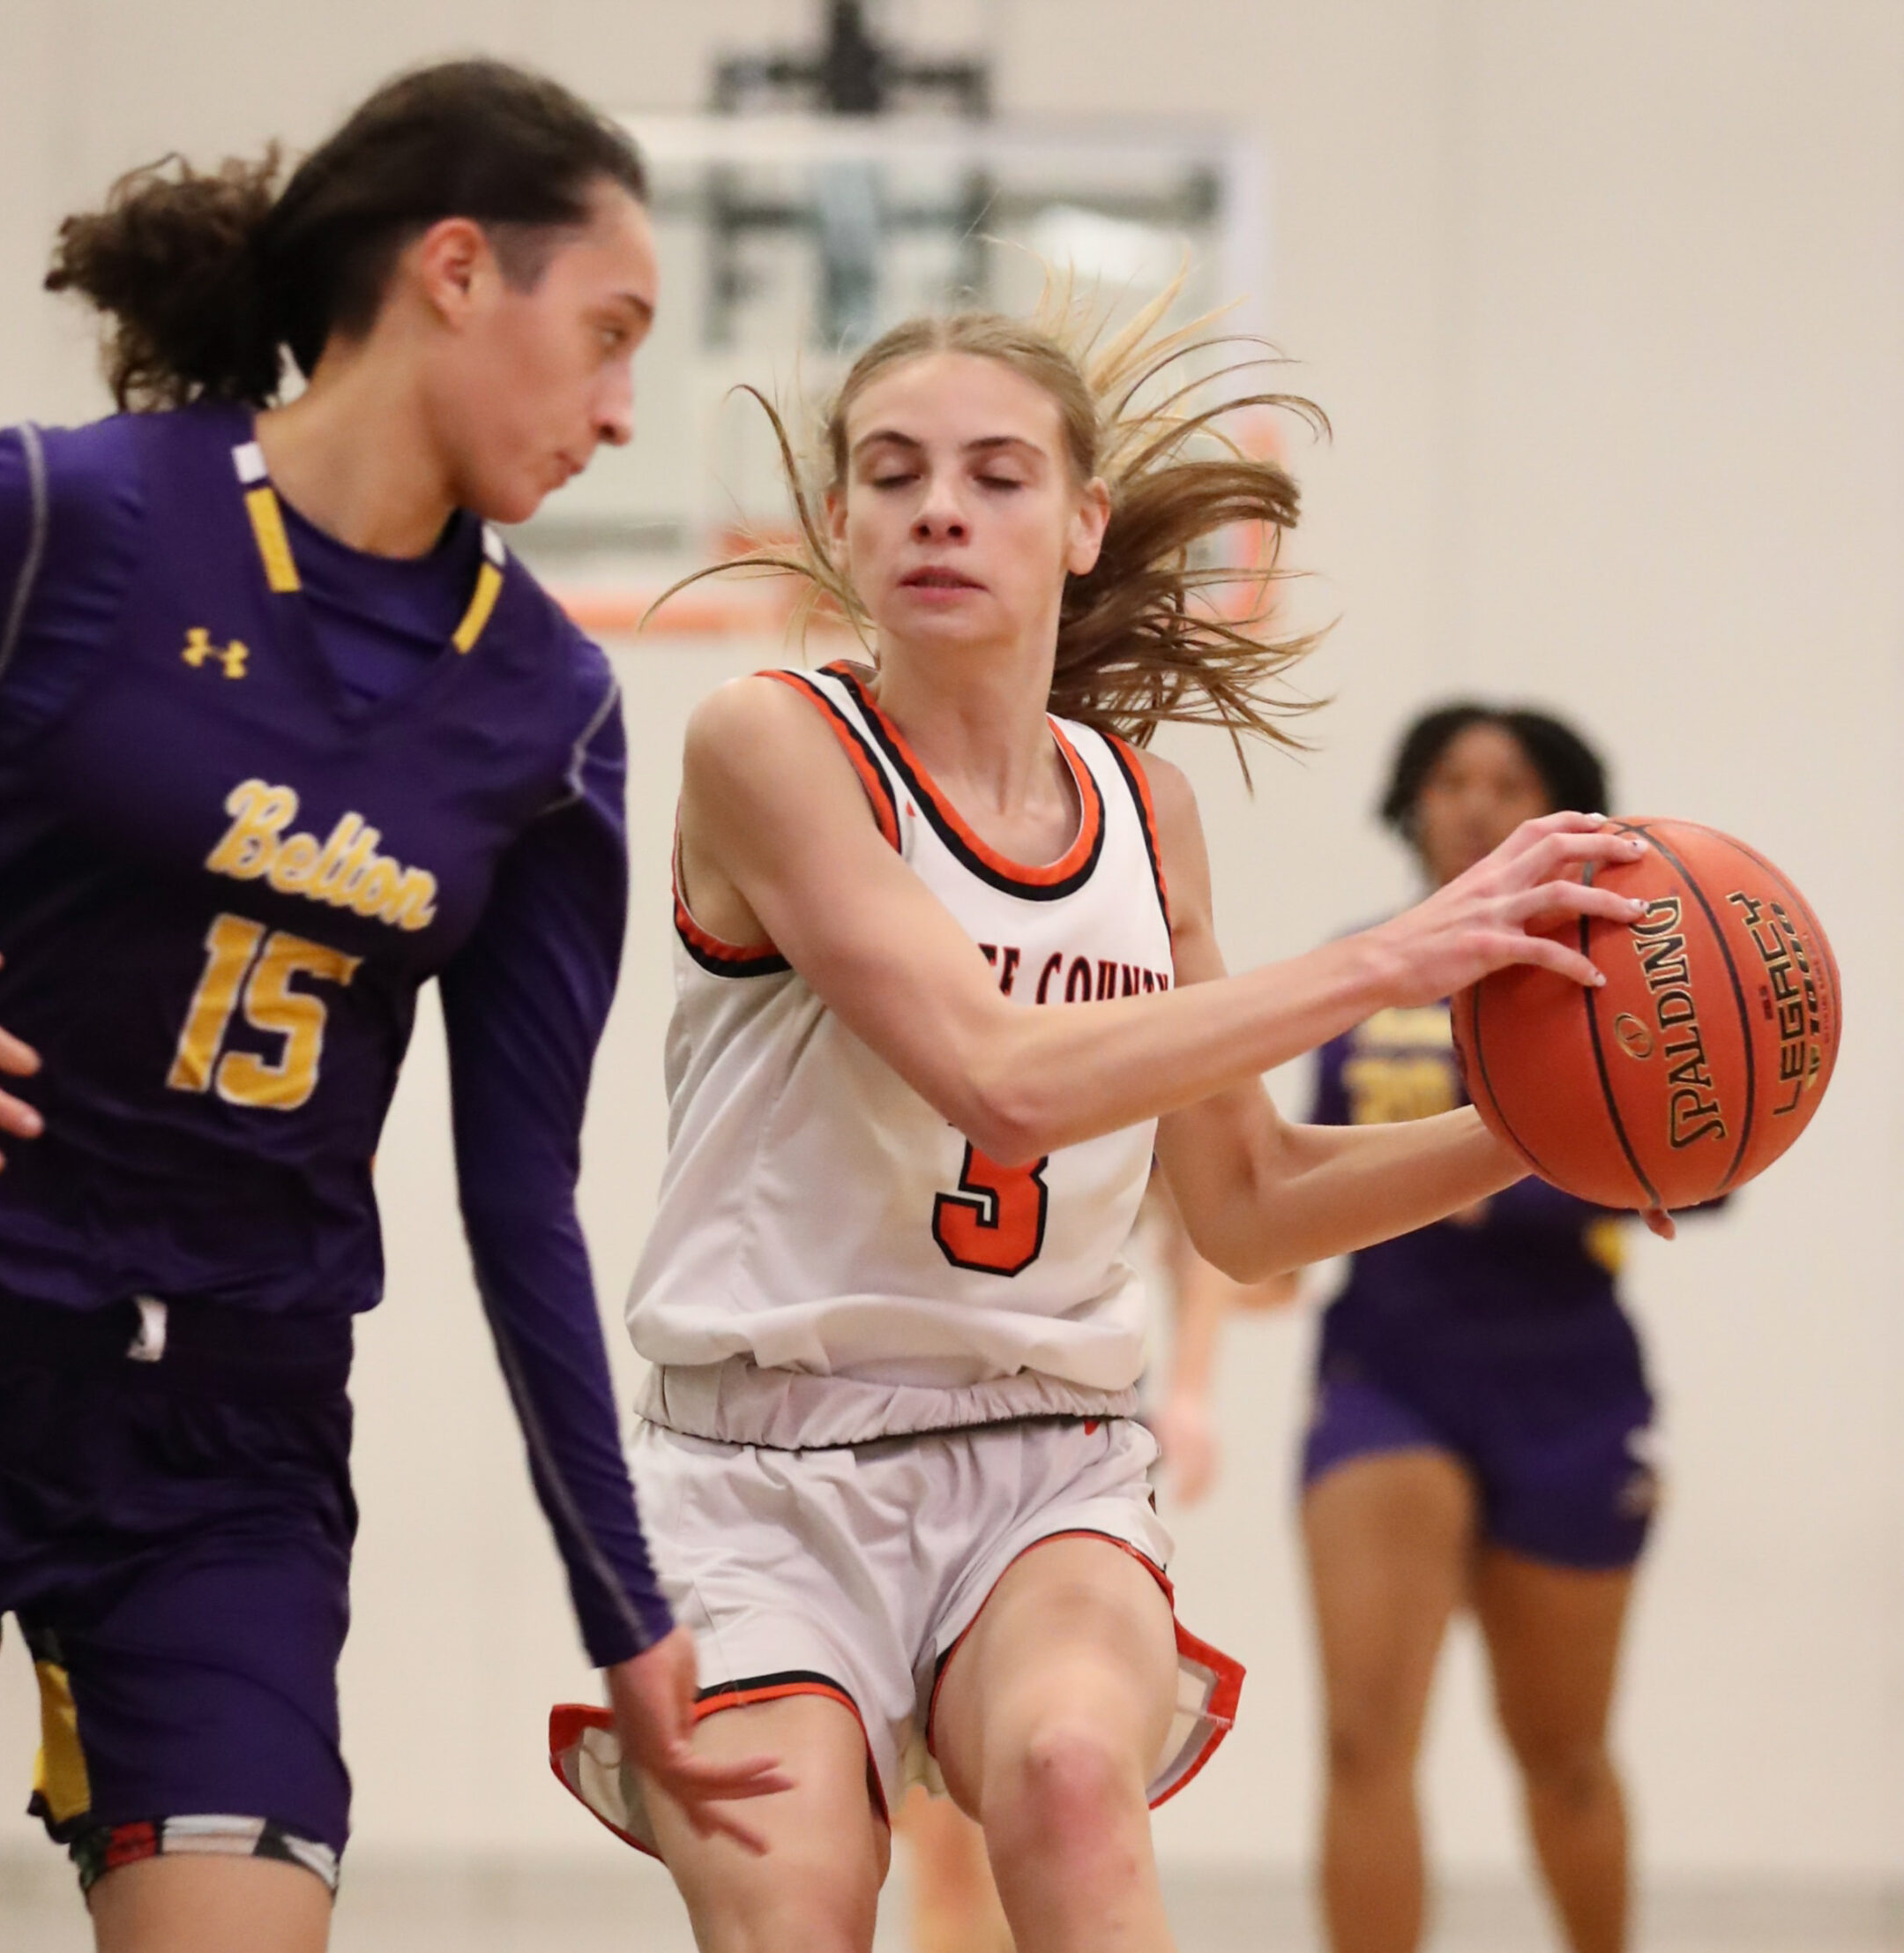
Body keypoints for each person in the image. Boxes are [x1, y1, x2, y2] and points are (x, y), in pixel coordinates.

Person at [0, 59, 777, 1953]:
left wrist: (625, 1607)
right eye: (608, 333)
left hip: (227, 1456)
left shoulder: (547, 711)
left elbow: (520, 1205)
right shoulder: (59, 514)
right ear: (452, 271)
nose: (618, 409)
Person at [548, 296, 1658, 1953]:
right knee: (799, 1905)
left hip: (1041, 1457)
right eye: (895, 473)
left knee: (1073, 1776)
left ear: (1081, 523)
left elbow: (1252, 1197)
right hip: (759, 1467)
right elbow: (1000, 1073)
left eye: (996, 475)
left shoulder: (1146, 809)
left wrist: (1553, 1128)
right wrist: (1392, 955)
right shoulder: (773, 741)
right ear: (839, 520)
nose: (940, 508)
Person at [1301, 704, 1662, 1953]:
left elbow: (1704, 1170)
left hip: (1569, 1383)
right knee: (1363, 1737)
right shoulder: (1360, 970)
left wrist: (1503, 1181)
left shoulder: (1624, 977)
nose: (1472, 802)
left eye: (1507, 781)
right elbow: (1301, 1170)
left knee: (1562, 1752)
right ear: (1410, 802)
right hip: (1388, 1373)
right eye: (1449, 778)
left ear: (1564, 810)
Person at [896, 1174, 1285, 1953]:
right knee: (946, 1837)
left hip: (1062, 1441)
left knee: (1039, 1787)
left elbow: (1212, 1203)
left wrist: (1193, 1389)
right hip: (889, 1426)